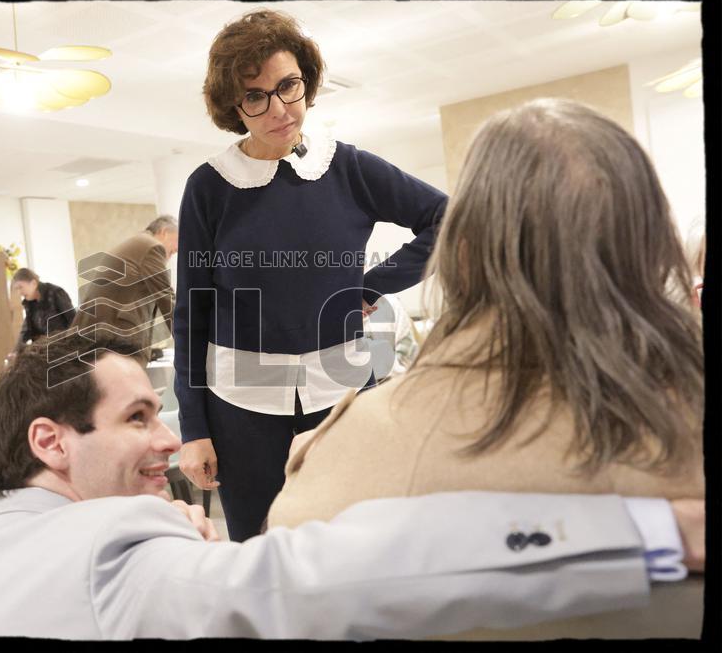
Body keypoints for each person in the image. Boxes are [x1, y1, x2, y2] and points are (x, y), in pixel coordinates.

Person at [0, 333, 698, 639]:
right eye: (137, 417)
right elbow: (346, 571)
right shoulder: (114, 549)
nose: (167, 439)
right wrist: (645, 534)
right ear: (51, 443)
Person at [268, 100, 706, 544]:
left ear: (463, 251)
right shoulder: (685, 412)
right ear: (653, 242)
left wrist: (319, 458)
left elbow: (291, 554)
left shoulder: (367, 442)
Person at [174, 9, 448, 541]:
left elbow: (448, 218)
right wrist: (193, 429)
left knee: (359, 534)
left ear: (306, 80)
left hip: (343, 389)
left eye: (288, 86)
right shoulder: (208, 188)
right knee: (259, 543)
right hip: (240, 402)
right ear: (233, 106)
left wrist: (373, 284)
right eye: (255, 96)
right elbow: (192, 313)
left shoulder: (348, 168)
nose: (279, 109)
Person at [71, 215, 177, 366]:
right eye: (178, 240)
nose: (177, 249)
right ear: (164, 232)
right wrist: (190, 342)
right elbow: (166, 298)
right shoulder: (152, 246)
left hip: (98, 336)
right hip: (114, 340)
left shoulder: (138, 243)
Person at [11, 268, 76, 348]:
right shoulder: (29, 303)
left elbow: (74, 320)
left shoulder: (55, 292)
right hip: (44, 349)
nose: (19, 293)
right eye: (17, 289)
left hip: (63, 347)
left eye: (20, 287)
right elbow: (26, 330)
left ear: (34, 283)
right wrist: (16, 350)